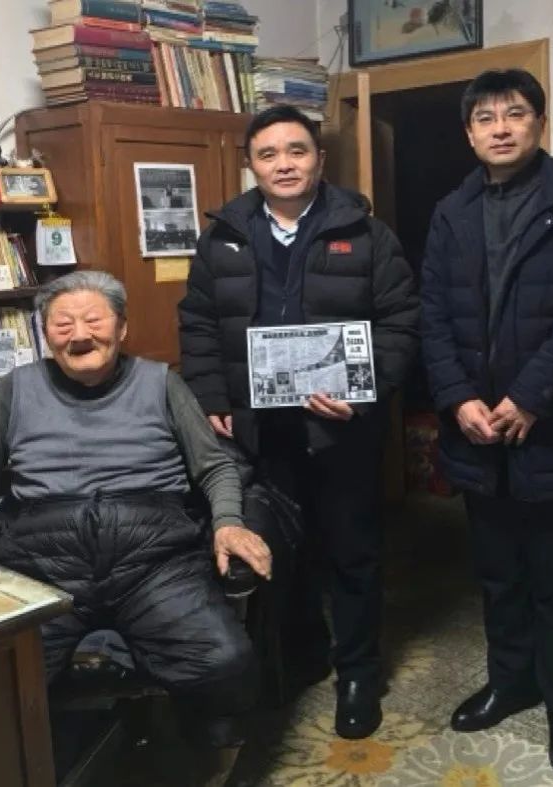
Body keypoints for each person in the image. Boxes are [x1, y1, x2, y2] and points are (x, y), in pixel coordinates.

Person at [0, 271, 273, 783]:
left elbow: (214, 468)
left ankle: (189, 740)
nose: (79, 335)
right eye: (63, 324)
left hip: (153, 558)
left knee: (223, 660)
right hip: (43, 564)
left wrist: (228, 523)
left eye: (94, 321)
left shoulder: (161, 382)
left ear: (121, 328)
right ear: (45, 333)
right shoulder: (14, 390)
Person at [178, 105, 419, 739]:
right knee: (283, 550)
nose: (284, 164)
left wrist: (363, 392)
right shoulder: (223, 236)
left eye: (297, 151)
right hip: (260, 430)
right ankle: (304, 655)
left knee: (353, 552)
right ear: (251, 165)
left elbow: (401, 322)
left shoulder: (367, 234)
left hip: (342, 428)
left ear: (319, 159)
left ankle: (359, 674)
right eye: (268, 154)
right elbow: (199, 322)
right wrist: (211, 396)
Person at [420, 69, 553, 779]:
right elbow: (433, 316)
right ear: (469, 133)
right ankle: (511, 682)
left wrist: (532, 396)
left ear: (540, 122)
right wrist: (457, 398)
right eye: (485, 118)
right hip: (477, 427)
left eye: (514, 113)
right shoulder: (451, 211)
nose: (501, 128)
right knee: (497, 570)